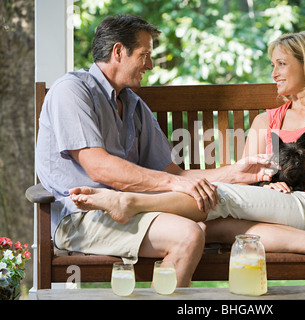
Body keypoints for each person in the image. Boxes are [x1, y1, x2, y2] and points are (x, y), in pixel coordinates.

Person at [69, 31, 305, 266]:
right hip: (273, 207)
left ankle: (129, 202)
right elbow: (251, 178)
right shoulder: (265, 121)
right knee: (220, 224)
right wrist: (269, 182)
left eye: (282, 64)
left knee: (217, 196)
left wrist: (298, 160)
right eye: (273, 65)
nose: (274, 73)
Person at [36, 14, 274, 287]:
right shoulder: (72, 91)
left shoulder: (134, 105)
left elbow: (173, 173)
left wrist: (236, 173)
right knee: (188, 234)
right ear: (118, 52)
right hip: (79, 218)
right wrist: (174, 184)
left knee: (211, 219)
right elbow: (99, 167)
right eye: (144, 54)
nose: (149, 65)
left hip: (134, 210)